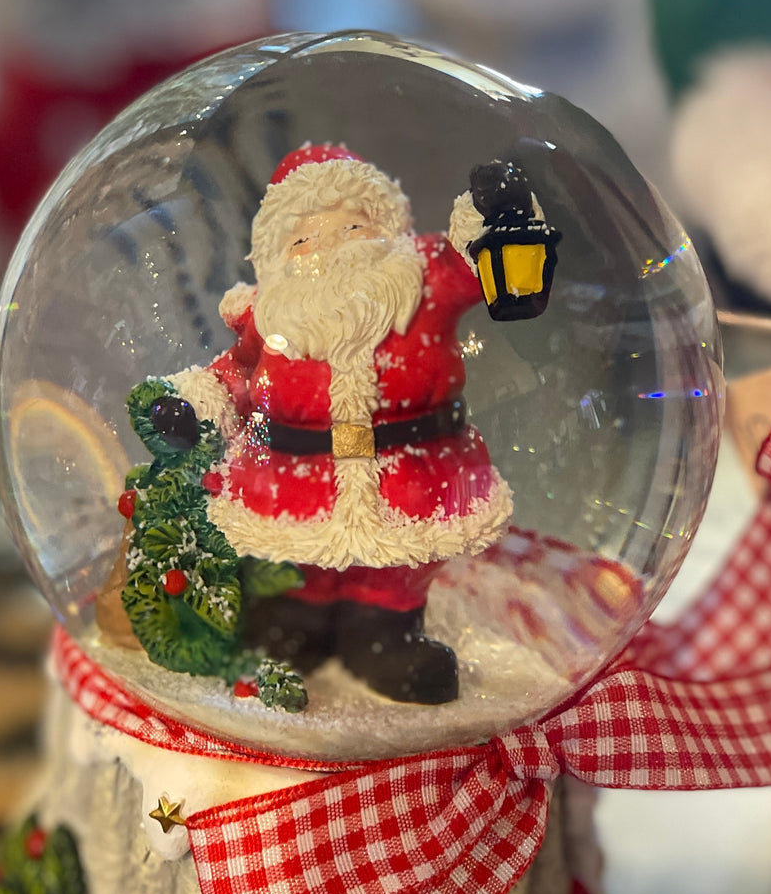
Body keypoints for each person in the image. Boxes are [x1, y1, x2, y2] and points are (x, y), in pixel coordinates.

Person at [154, 143, 559, 704]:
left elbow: (475, 259)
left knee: (396, 565)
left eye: (352, 227)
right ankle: (300, 619)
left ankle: (386, 634)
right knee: (302, 560)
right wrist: (192, 405)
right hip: (297, 480)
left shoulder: (423, 279)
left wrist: (497, 211)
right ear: (279, 255)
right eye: (304, 239)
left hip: (410, 474)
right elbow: (236, 374)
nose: (330, 248)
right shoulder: (269, 312)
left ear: (387, 229)